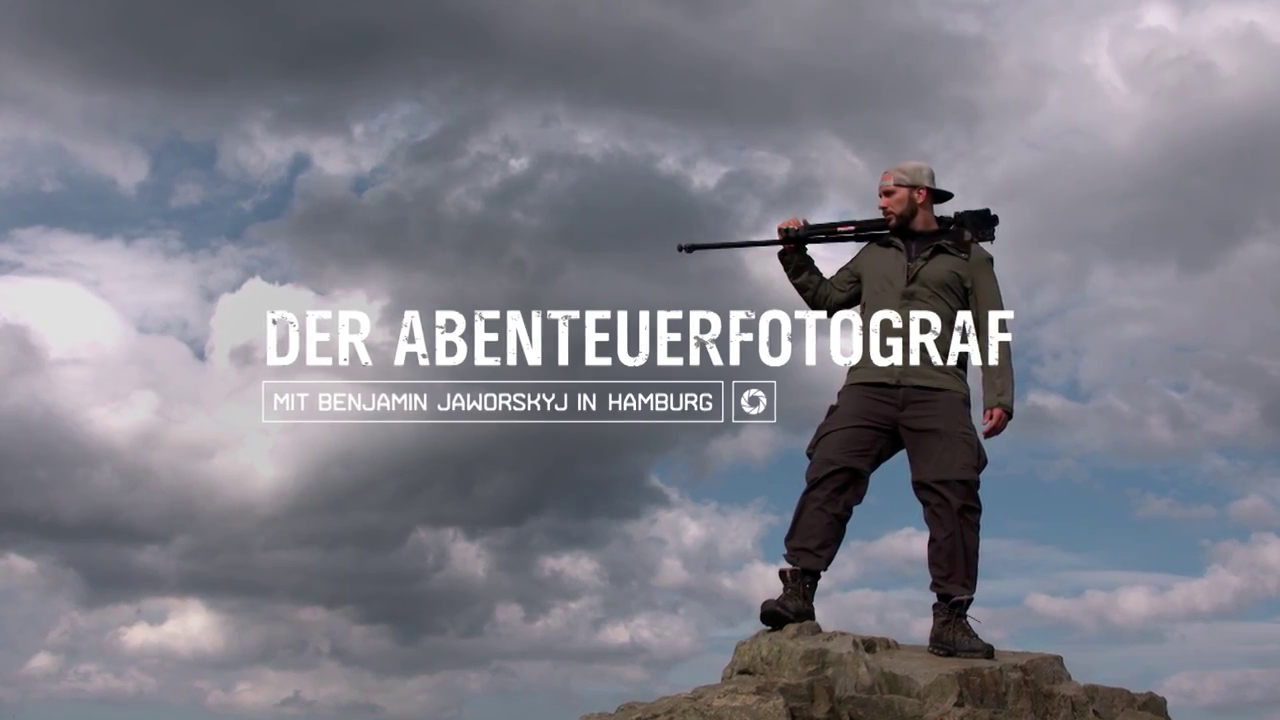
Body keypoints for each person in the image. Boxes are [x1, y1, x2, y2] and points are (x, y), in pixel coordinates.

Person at [760, 161, 1014, 660]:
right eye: (878, 195)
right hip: (869, 385)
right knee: (830, 470)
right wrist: (794, 252)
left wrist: (999, 395)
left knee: (954, 495)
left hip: (938, 389)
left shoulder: (968, 256)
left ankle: (952, 619)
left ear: (920, 195)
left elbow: (992, 327)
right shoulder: (874, 252)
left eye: (887, 193)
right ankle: (797, 593)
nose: (879, 202)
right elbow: (826, 298)